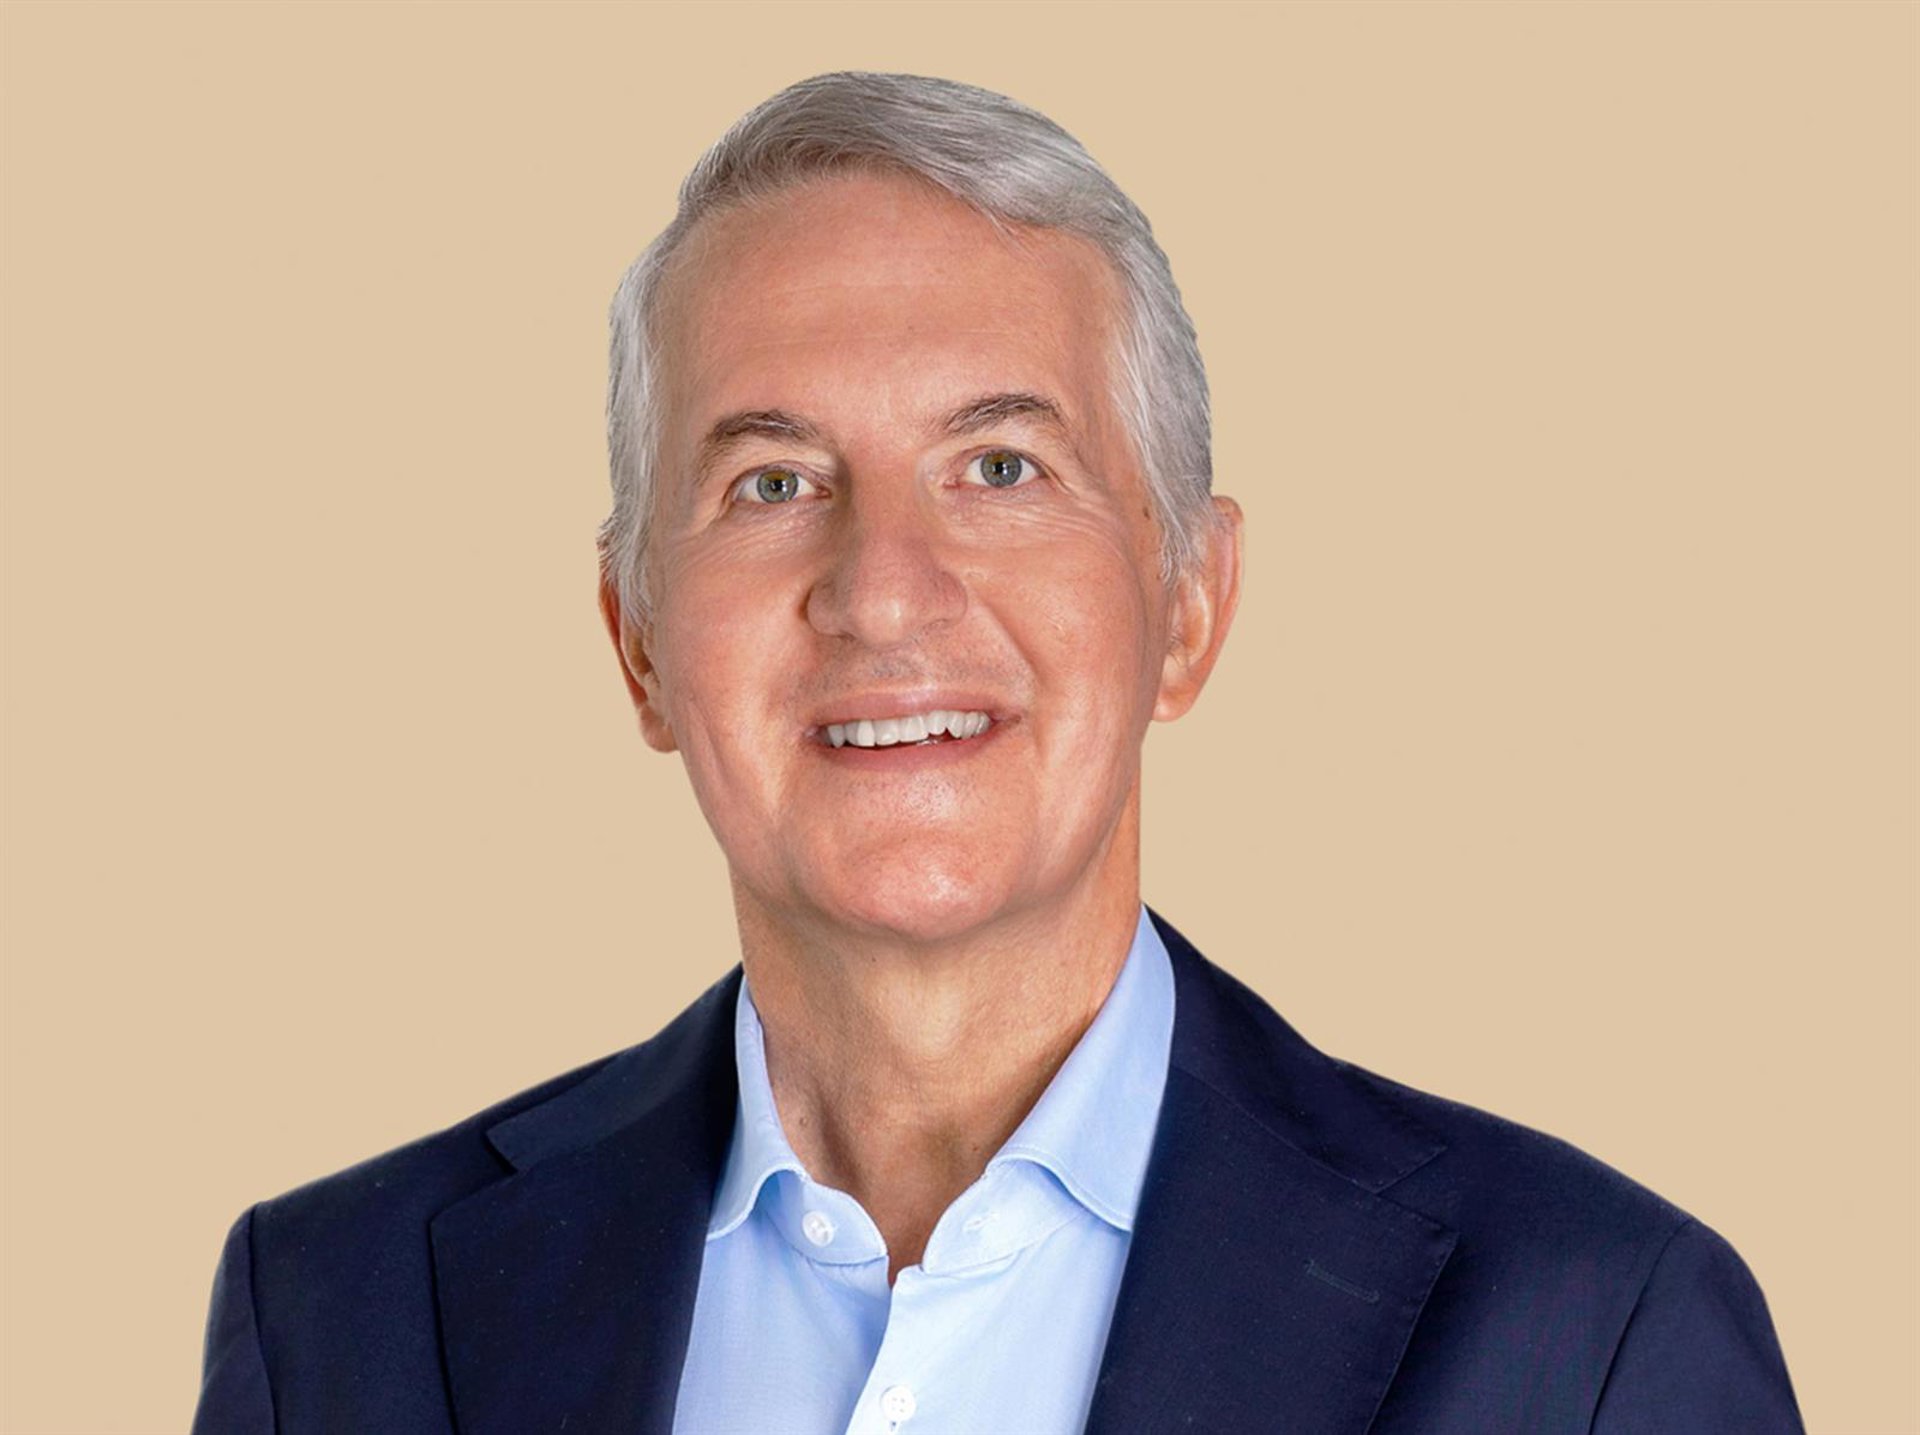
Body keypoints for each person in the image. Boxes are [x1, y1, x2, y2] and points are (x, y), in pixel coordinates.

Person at [190, 72, 1802, 1434]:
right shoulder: (333, 1318)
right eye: (771, 484)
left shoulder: (1593, 1339)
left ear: (1190, 603)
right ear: (639, 643)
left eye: (1003, 466)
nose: (884, 589)